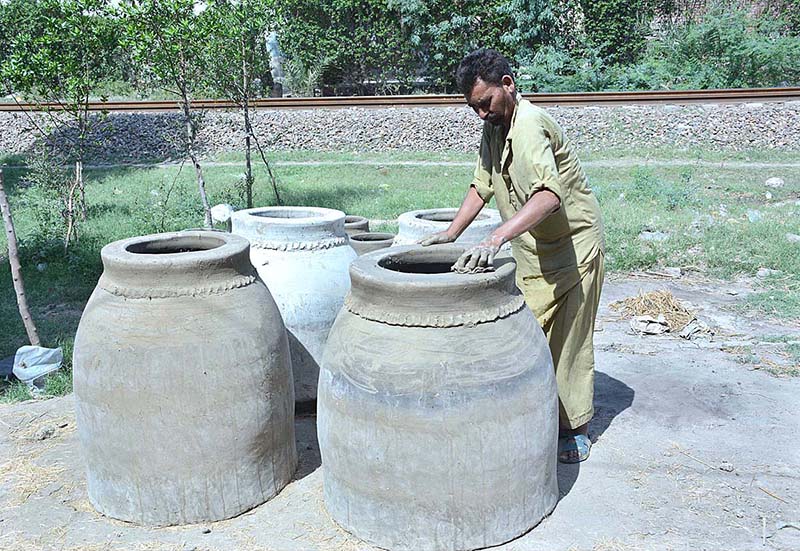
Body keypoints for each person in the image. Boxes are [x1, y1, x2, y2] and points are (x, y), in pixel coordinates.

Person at [420, 48, 605, 463]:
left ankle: (574, 430)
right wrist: (450, 233)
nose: (481, 114)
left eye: (485, 103)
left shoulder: (529, 126)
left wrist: (495, 238)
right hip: (536, 251)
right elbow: (481, 185)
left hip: (574, 248)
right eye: (474, 108)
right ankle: (537, 412)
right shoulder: (494, 127)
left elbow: (548, 196)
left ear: (508, 85)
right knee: (528, 336)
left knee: (567, 344)